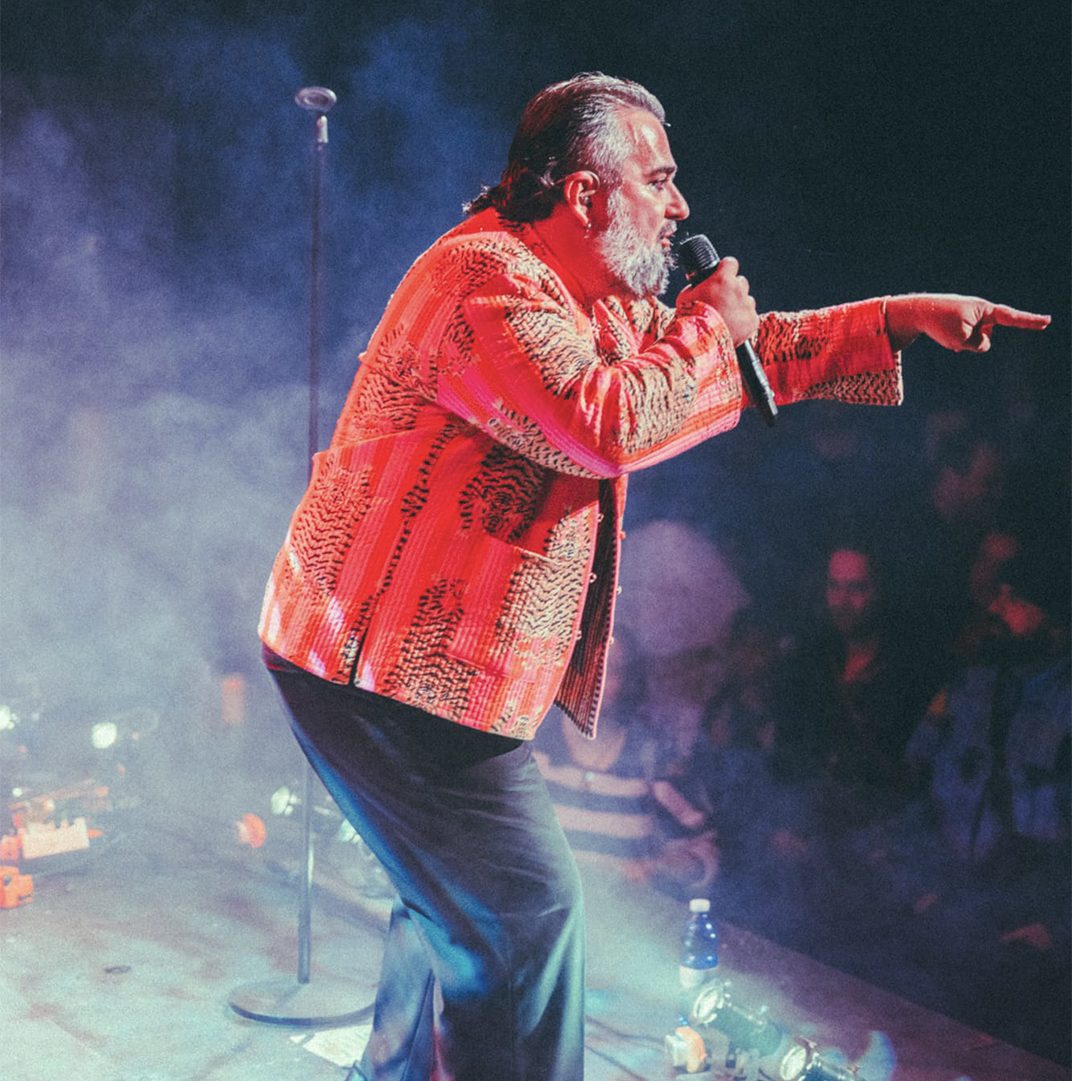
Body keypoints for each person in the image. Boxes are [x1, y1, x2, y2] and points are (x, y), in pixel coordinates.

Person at [256, 72, 1050, 1081]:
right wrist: (706, 328)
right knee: (525, 915)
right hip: (378, 671)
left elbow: (749, 358)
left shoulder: (585, 297)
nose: (680, 206)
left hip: (414, 673)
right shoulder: (482, 279)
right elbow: (604, 422)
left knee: (457, 905)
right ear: (587, 192)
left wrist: (895, 318)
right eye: (660, 178)